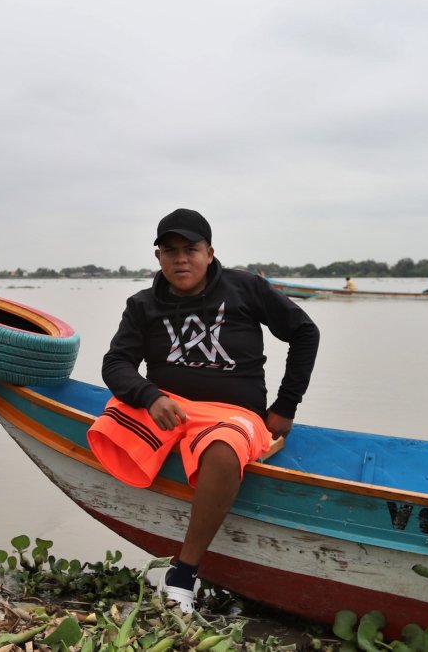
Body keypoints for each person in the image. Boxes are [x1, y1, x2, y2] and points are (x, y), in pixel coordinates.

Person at [90, 208, 320, 612]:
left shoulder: (245, 288)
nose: (181, 259)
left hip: (234, 412)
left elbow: (305, 332)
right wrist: (149, 396)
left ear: (209, 253)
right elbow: (116, 364)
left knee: (224, 451)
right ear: (158, 256)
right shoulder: (142, 304)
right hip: (168, 407)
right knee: (105, 423)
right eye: (171, 250)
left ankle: (183, 572)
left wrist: (285, 405)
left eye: (191, 250)